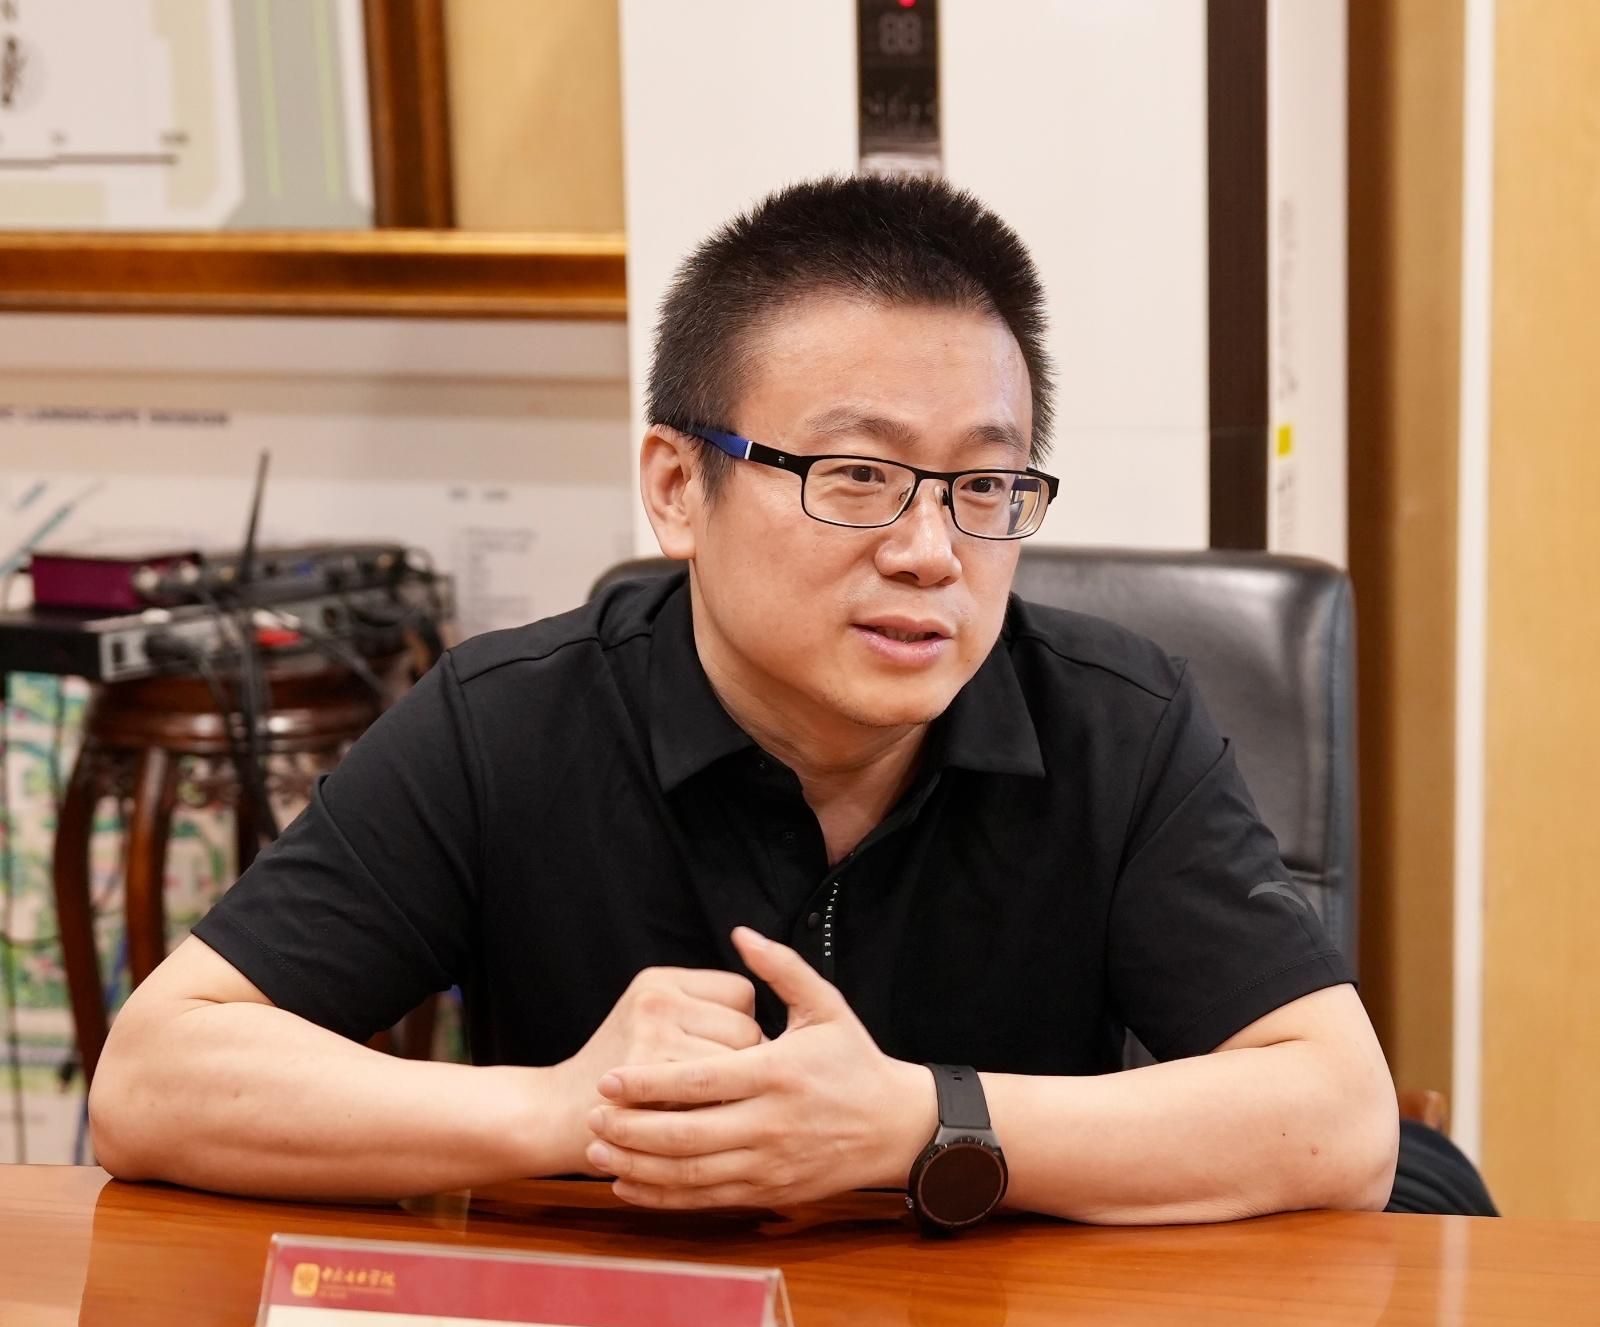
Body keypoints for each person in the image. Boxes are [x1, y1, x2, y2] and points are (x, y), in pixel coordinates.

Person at [89, 173, 1406, 1225]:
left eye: (985, 486)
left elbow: (1341, 1119)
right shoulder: (511, 722)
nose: (932, 552)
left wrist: (916, 1121)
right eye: (855, 475)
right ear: (678, 489)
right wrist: (565, 1110)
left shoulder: (1117, 723)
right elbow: (154, 1082)